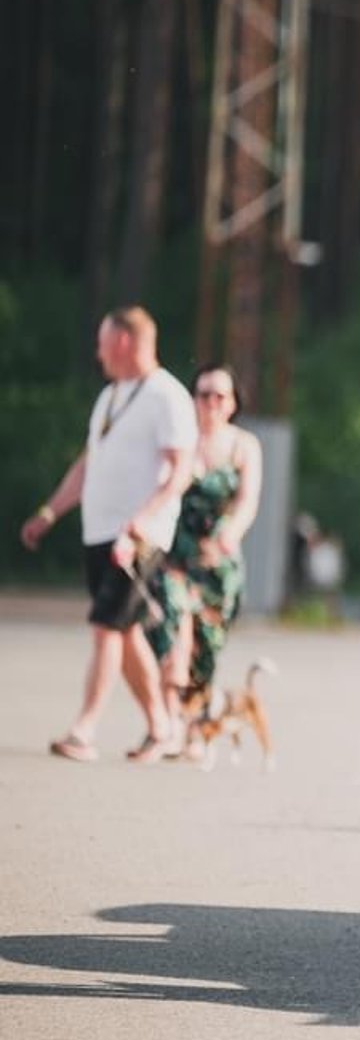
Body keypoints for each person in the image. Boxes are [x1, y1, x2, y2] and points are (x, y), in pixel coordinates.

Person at [19, 306, 198, 764]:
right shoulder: (112, 396)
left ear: (123, 342)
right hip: (98, 531)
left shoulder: (167, 396)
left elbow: (180, 472)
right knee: (124, 630)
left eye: (103, 343)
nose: (98, 353)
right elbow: (88, 464)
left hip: (138, 536)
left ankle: (85, 729)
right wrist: (50, 511)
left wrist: (143, 519)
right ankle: (163, 727)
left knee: (104, 627)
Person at [145, 364, 264, 761]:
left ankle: (196, 727)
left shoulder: (243, 446)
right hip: (175, 557)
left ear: (232, 403)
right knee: (172, 632)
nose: (211, 403)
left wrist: (229, 532)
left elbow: (247, 501)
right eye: (203, 395)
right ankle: (170, 723)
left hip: (218, 562)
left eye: (220, 396)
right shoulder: (181, 441)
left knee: (205, 650)